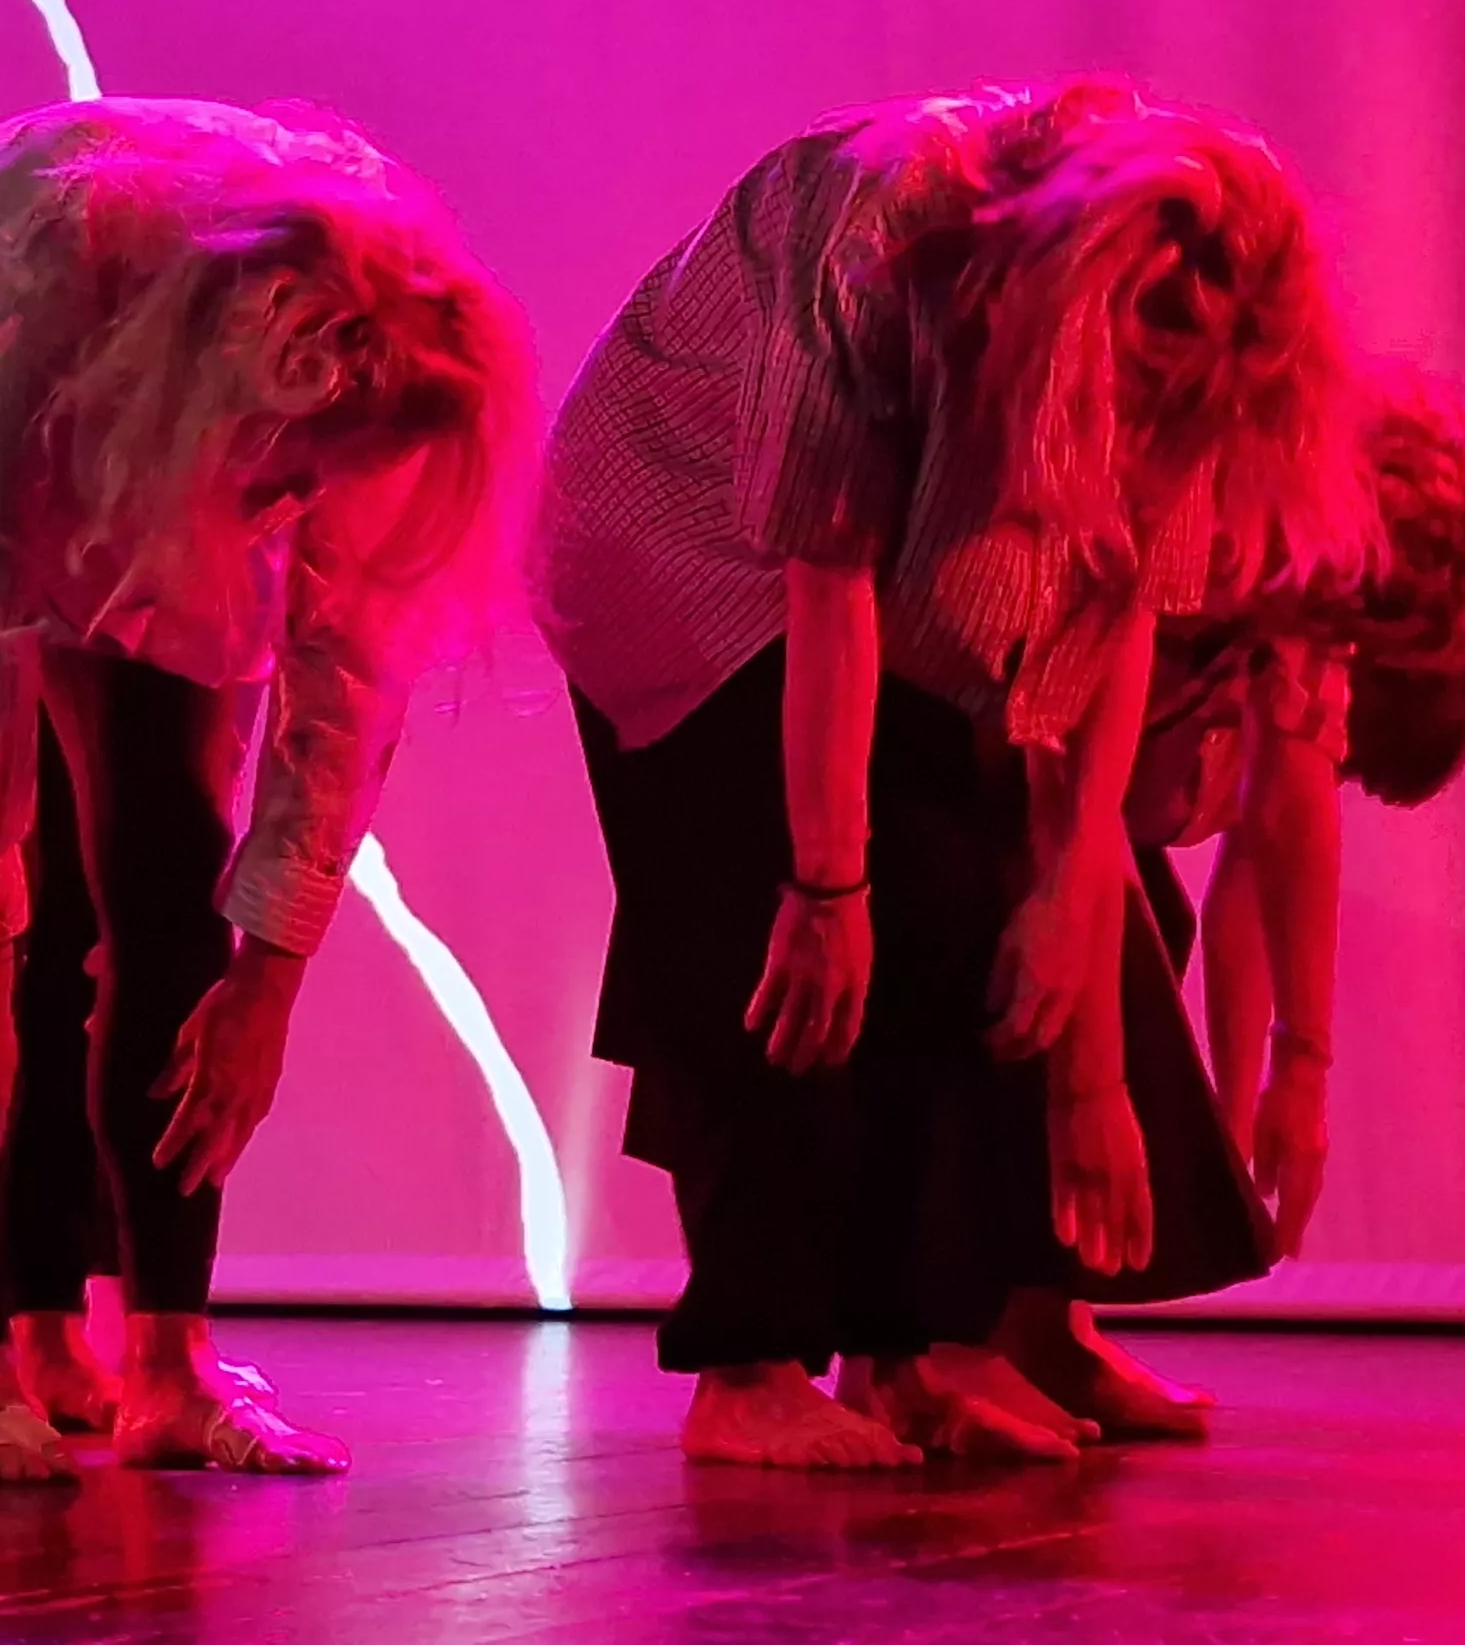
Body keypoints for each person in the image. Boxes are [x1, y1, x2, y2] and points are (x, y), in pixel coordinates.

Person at [539, 80, 1372, 1468]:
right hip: (678, 533)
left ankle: (902, 1353)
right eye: (1139, 366)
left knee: (957, 899)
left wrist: (1065, 894)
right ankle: (746, 1367)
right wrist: (825, 882)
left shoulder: (1192, 343)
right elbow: (825, 571)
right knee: (780, 937)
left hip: (880, 577)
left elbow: (1116, 610)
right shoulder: (878, 229)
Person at [0, 97, 529, 1483]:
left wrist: (270, 977)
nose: (297, 504)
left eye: (318, 480)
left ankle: (166, 1359)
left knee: (171, 863)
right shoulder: (45, 256)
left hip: (149, 436)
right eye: (291, 468)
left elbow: (346, 677)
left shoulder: (379, 356)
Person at [949, 363, 1465, 1439]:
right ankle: (946, 1340)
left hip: (1063, 777)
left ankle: (1043, 1323)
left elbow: (1276, 832)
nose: (1331, 680)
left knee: (1144, 936)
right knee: (1068, 968)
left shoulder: (1296, 596)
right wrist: (1118, 1083)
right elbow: (1073, 753)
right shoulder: (1210, 512)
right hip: (986, 737)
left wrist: (1275, 1078)